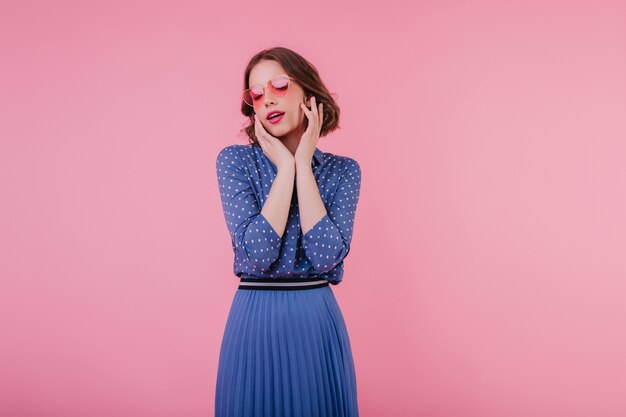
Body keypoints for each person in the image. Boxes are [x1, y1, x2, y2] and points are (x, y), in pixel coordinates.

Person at [214, 46, 362, 417]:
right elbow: (258, 255)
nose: (268, 100)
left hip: (316, 323)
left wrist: (302, 165)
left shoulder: (344, 171)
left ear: (309, 94)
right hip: (254, 323)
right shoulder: (235, 162)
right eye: (257, 94)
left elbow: (327, 256)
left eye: (279, 85)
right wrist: (284, 169)